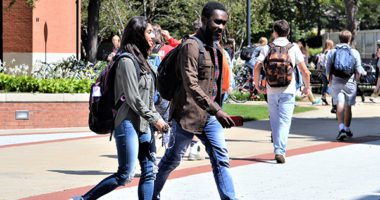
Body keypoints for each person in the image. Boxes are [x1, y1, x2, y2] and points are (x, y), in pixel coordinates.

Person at [71, 16, 168, 200]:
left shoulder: (145, 62)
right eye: (149, 32)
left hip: (144, 123)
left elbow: (147, 101)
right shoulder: (126, 61)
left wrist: (159, 120)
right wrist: (156, 119)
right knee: (125, 174)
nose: (153, 36)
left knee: (149, 171)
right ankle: (83, 199)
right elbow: (133, 99)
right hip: (127, 123)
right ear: (138, 34)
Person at [153, 2, 237, 200]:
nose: (221, 27)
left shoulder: (216, 47)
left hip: (210, 117)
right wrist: (217, 109)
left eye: (224, 23)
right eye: (217, 22)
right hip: (187, 116)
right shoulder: (191, 46)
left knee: (221, 159)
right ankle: (151, 194)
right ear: (204, 20)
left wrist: (216, 109)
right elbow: (191, 84)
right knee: (171, 161)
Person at [253, 19, 311, 164]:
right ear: (288, 32)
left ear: (275, 32)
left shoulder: (267, 47)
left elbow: (256, 66)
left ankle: (277, 148)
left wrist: (257, 84)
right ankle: (280, 151)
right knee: (285, 121)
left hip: (271, 89)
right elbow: (305, 71)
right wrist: (307, 87)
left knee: (274, 120)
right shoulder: (293, 48)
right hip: (288, 89)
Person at [325, 30, 366, 141]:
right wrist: (357, 80)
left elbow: (327, 68)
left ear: (339, 39)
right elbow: (358, 69)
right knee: (348, 106)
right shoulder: (354, 52)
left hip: (336, 81)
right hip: (350, 81)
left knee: (339, 103)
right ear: (350, 39)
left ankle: (341, 128)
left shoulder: (332, 52)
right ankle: (347, 128)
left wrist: (329, 81)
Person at [297, 40, 322, 105]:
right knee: (306, 86)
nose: (298, 44)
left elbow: (305, 64)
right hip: (300, 71)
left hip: (301, 71)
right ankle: (313, 100)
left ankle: (313, 100)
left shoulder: (302, 53)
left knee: (306, 86)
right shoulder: (300, 53)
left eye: (299, 43)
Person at [316, 39, 334, 105]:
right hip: (328, 69)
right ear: (330, 45)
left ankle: (324, 98)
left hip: (322, 70)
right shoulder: (331, 52)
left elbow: (319, 62)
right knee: (331, 84)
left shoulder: (322, 52)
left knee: (325, 84)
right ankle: (325, 95)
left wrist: (318, 70)